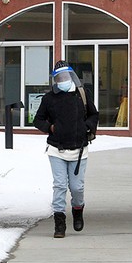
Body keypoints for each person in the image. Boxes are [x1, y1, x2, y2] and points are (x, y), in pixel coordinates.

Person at [33, 60, 99, 238]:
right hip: (57, 149)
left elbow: (94, 114)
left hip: (79, 151)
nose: (62, 80)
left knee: (77, 187)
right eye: (58, 77)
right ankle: (59, 223)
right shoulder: (49, 99)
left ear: (71, 76)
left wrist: (87, 126)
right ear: (54, 80)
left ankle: (78, 209)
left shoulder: (83, 94)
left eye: (64, 76)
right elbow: (37, 120)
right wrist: (51, 128)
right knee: (60, 185)